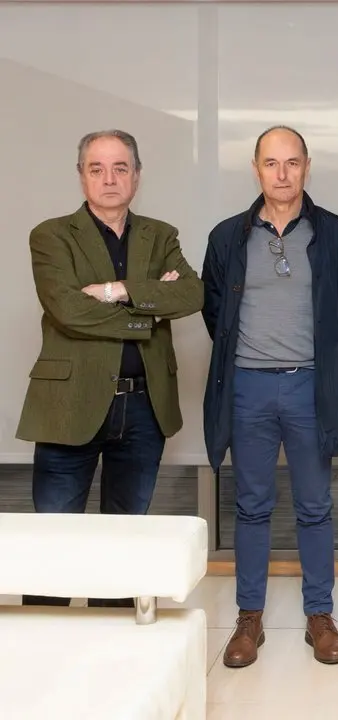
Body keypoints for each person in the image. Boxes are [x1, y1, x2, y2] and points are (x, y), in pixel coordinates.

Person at [17, 129, 203, 608]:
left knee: (124, 544)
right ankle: (48, 653)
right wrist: (148, 306)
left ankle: (117, 650)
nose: (109, 178)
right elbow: (68, 312)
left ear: (137, 176)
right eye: (96, 168)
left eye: (121, 167)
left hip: (142, 407)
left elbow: (190, 294)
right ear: (81, 177)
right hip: (69, 404)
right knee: (53, 546)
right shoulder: (52, 235)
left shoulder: (161, 235)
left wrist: (115, 290)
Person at [201, 126, 338, 668]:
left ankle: (320, 615)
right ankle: (250, 618)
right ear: (256, 169)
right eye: (272, 163)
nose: (282, 173)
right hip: (247, 387)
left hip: (309, 386)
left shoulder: (336, 233)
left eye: (292, 163)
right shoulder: (228, 236)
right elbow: (214, 313)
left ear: (306, 166)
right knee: (251, 507)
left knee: (315, 506)